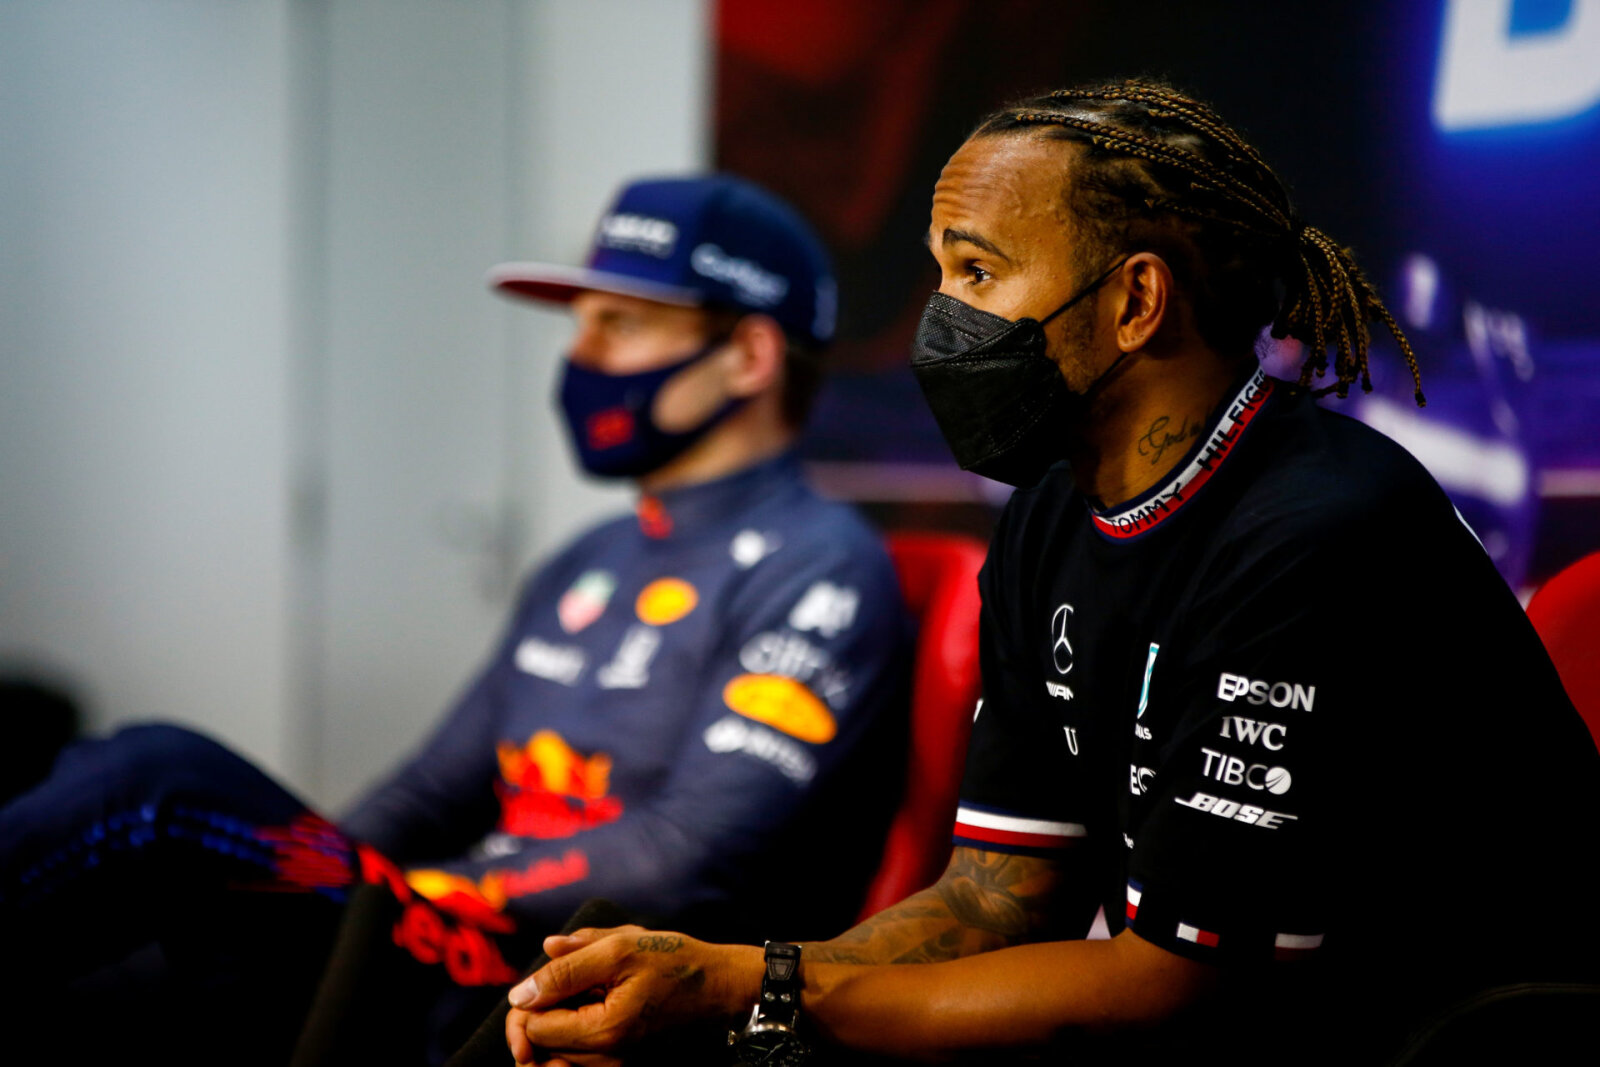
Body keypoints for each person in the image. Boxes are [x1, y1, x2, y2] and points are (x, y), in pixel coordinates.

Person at [501, 82, 1600, 1067]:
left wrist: (762, 992)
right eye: (939, 271)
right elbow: (997, 895)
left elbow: (1180, 980)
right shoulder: (1051, 512)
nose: (942, 317)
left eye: (976, 270)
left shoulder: (1315, 530)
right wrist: (737, 998)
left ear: (1134, 301)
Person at [0, 175, 909, 1063]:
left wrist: (409, 894)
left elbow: (688, 857)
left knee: (158, 781)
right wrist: (308, 882)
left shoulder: (821, 565)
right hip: (432, 948)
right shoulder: (589, 558)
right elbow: (429, 793)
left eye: (620, 324)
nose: (578, 358)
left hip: (565, 990)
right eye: (578, 324)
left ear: (749, 356)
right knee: (111, 955)